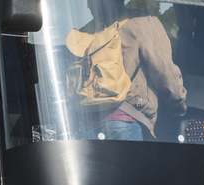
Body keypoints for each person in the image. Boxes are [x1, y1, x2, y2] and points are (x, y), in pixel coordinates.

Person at [78, 0, 187, 141]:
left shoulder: (83, 32)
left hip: (84, 125)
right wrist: (178, 101)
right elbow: (165, 72)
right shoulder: (141, 21)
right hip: (125, 120)